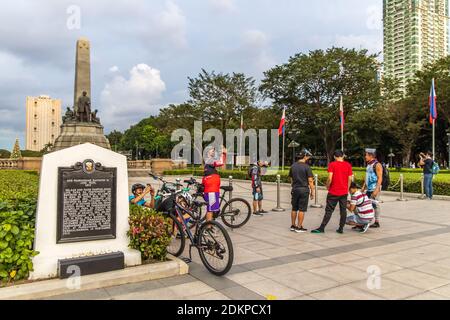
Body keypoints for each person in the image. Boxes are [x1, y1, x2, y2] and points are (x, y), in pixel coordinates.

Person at [312, 150, 353, 234]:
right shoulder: (348, 165)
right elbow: (350, 179)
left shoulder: (332, 164)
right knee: (343, 211)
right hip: (344, 192)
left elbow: (330, 178)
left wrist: (327, 186)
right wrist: (347, 188)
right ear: (343, 156)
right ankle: (341, 228)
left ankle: (322, 228)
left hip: (333, 192)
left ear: (334, 156)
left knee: (329, 210)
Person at [288, 149, 315, 233]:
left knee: (294, 208)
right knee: (302, 209)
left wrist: (294, 186)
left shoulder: (293, 166)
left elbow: (291, 179)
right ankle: (299, 227)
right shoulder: (307, 167)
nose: (308, 158)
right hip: (303, 190)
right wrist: (312, 192)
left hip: (295, 189)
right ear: (305, 156)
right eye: (308, 156)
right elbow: (310, 181)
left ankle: (293, 225)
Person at [203, 146, 227, 221]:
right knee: (210, 209)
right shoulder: (210, 160)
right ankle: (207, 228)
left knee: (211, 208)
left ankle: (209, 225)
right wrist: (224, 153)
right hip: (211, 189)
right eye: (212, 150)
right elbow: (221, 162)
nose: (213, 151)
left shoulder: (208, 161)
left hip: (212, 188)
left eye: (214, 150)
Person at [362, 148, 383, 228]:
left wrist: (376, 189)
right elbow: (367, 176)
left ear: (371, 156)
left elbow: (380, 178)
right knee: (366, 204)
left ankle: (376, 222)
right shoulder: (369, 164)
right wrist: (364, 187)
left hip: (374, 188)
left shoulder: (377, 165)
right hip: (369, 188)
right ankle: (366, 220)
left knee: (375, 205)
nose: (365, 156)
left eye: (366, 155)